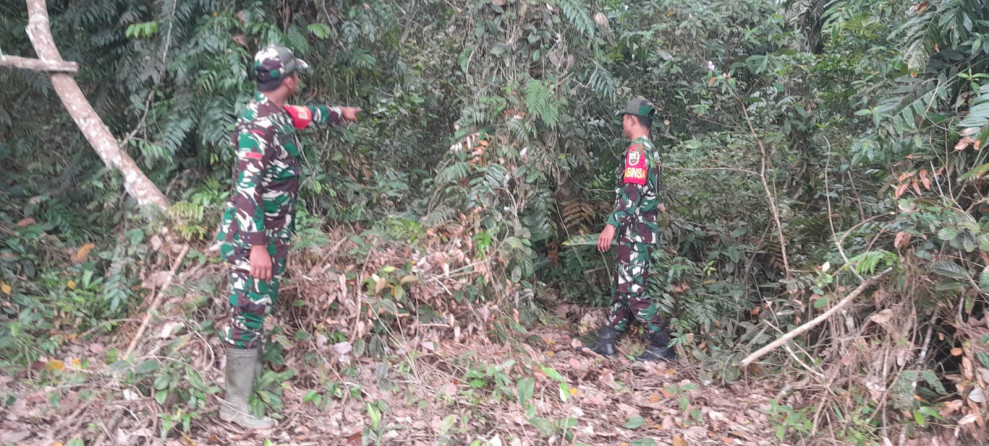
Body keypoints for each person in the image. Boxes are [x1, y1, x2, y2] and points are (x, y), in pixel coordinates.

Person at [214, 44, 360, 428]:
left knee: (256, 310)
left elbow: (305, 115)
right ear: (289, 80)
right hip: (255, 241)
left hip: (272, 237)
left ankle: (244, 392)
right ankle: (234, 405)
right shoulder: (259, 124)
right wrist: (257, 248)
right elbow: (247, 190)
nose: (299, 79)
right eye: (297, 74)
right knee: (247, 312)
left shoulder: (277, 113)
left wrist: (339, 115)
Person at [583, 96, 676, 363]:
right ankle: (607, 340)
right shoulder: (650, 150)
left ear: (632, 120)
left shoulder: (637, 151)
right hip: (636, 232)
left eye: (624, 118)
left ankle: (662, 344)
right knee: (622, 287)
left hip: (636, 233)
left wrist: (611, 225)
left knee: (633, 290)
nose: (623, 123)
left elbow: (632, 194)